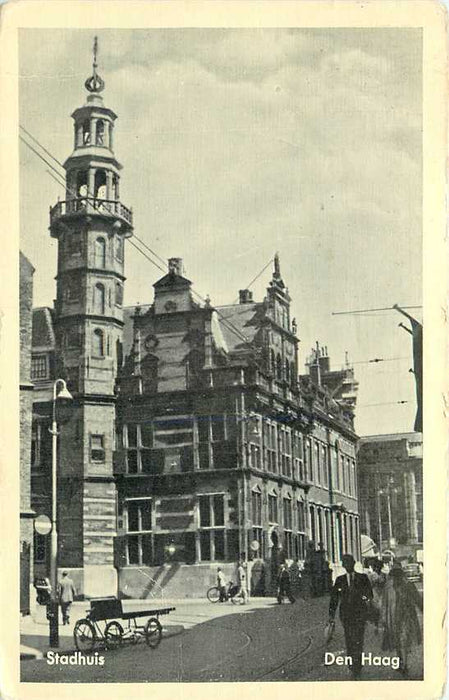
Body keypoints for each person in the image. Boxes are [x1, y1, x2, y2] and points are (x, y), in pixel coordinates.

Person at [328, 553, 373, 679]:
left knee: (358, 639)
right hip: (347, 615)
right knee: (349, 639)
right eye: (344, 563)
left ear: (353, 564)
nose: (346, 565)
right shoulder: (339, 580)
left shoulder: (363, 578)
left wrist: (362, 598)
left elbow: (369, 595)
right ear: (343, 566)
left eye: (348, 563)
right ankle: (352, 664)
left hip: (360, 613)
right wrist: (331, 615)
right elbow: (334, 599)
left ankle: (357, 665)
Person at [381, 561, 423, 676]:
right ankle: (401, 663)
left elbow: (417, 599)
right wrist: (383, 619)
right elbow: (384, 604)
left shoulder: (408, 585)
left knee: (403, 641)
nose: (396, 576)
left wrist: (424, 609)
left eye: (398, 573)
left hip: (406, 617)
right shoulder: (388, 587)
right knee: (397, 642)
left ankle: (404, 664)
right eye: (394, 573)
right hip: (393, 618)